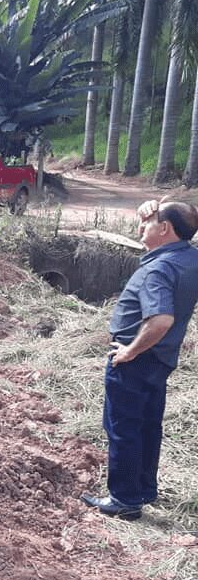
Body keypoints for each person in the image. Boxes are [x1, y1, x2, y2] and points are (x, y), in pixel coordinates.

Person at [81, 199, 198, 520]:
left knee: (123, 428)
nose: (140, 228)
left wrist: (129, 351)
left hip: (137, 360)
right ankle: (144, 488)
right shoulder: (189, 258)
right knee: (147, 425)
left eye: (147, 223)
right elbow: (181, 218)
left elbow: (160, 320)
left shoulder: (159, 269)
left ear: (165, 229)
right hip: (161, 359)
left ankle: (124, 500)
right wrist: (154, 211)